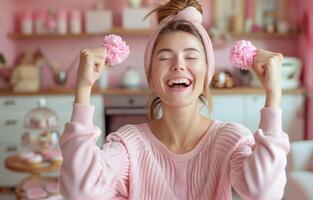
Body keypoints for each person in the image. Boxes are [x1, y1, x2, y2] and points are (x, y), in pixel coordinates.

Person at [59, 0, 290, 199]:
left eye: (191, 56)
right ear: (151, 76)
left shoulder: (229, 140)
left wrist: (273, 93)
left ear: (207, 73)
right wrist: (83, 88)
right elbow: (80, 191)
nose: (178, 64)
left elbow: (264, 192)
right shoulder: (130, 144)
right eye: (165, 57)